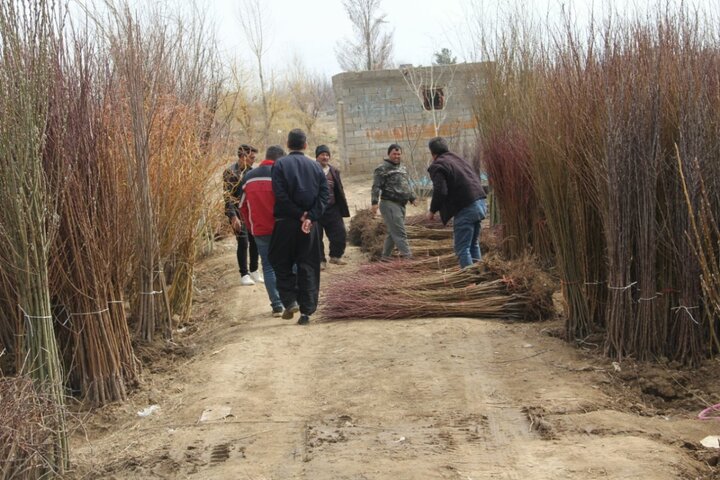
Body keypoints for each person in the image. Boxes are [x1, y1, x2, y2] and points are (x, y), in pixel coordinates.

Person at [269, 129, 329, 325]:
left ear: (288, 144)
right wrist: (310, 217)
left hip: (286, 223)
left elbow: (280, 194)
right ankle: (306, 312)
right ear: (305, 145)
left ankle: (290, 300)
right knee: (308, 265)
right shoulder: (316, 167)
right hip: (309, 226)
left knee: (279, 261)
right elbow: (323, 197)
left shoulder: (279, 165)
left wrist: (299, 214)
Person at [239, 145, 286, 317]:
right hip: (281, 228)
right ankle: (291, 300)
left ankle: (277, 305)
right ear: (279, 159)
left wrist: (250, 225)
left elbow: (242, 206)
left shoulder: (248, 177)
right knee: (287, 263)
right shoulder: (280, 175)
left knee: (268, 266)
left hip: (259, 230)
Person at [426, 137, 487, 268]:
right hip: (480, 203)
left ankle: (470, 283)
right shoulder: (458, 159)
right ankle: (479, 276)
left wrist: (432, 211)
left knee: (462, 249)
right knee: (473, 244)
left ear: (433, 154)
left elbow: (440, 191)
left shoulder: (438, 165)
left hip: (466, 207)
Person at [223, 143, 263, 286]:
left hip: (251, 213)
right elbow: (227, 197)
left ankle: (254, 270)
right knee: (243, 242)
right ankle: (244, 274)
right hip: (237, 212)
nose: (253, 160)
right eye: (251, 157)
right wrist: (233, 217)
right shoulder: (230, 172)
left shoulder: (251, 172)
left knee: (255, 241)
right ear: (243, 156)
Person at [371, 143, 416, 259]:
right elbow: (376, 186)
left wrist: (412, 197)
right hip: (389, 204)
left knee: (392, 232)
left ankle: (385, 257)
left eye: (399, 154)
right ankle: (408, 259)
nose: (397, 156)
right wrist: (374, 203)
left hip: (401, 205)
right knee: (400, 233)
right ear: (388, 154)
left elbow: (406, 184)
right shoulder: (382, 168)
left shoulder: (403, 167)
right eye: (394, 154)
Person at [315, 145, 350, 269]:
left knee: (340, 233)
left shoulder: (334, 171)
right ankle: (320, 261)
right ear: (317, 156)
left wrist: (341, 206)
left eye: (327, 155)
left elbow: (339, 189)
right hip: (316, 208)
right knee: (316, 237)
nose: (325, 157)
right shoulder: (312, 169)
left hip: (332, 208)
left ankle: (335, 256)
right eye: (322, 155)